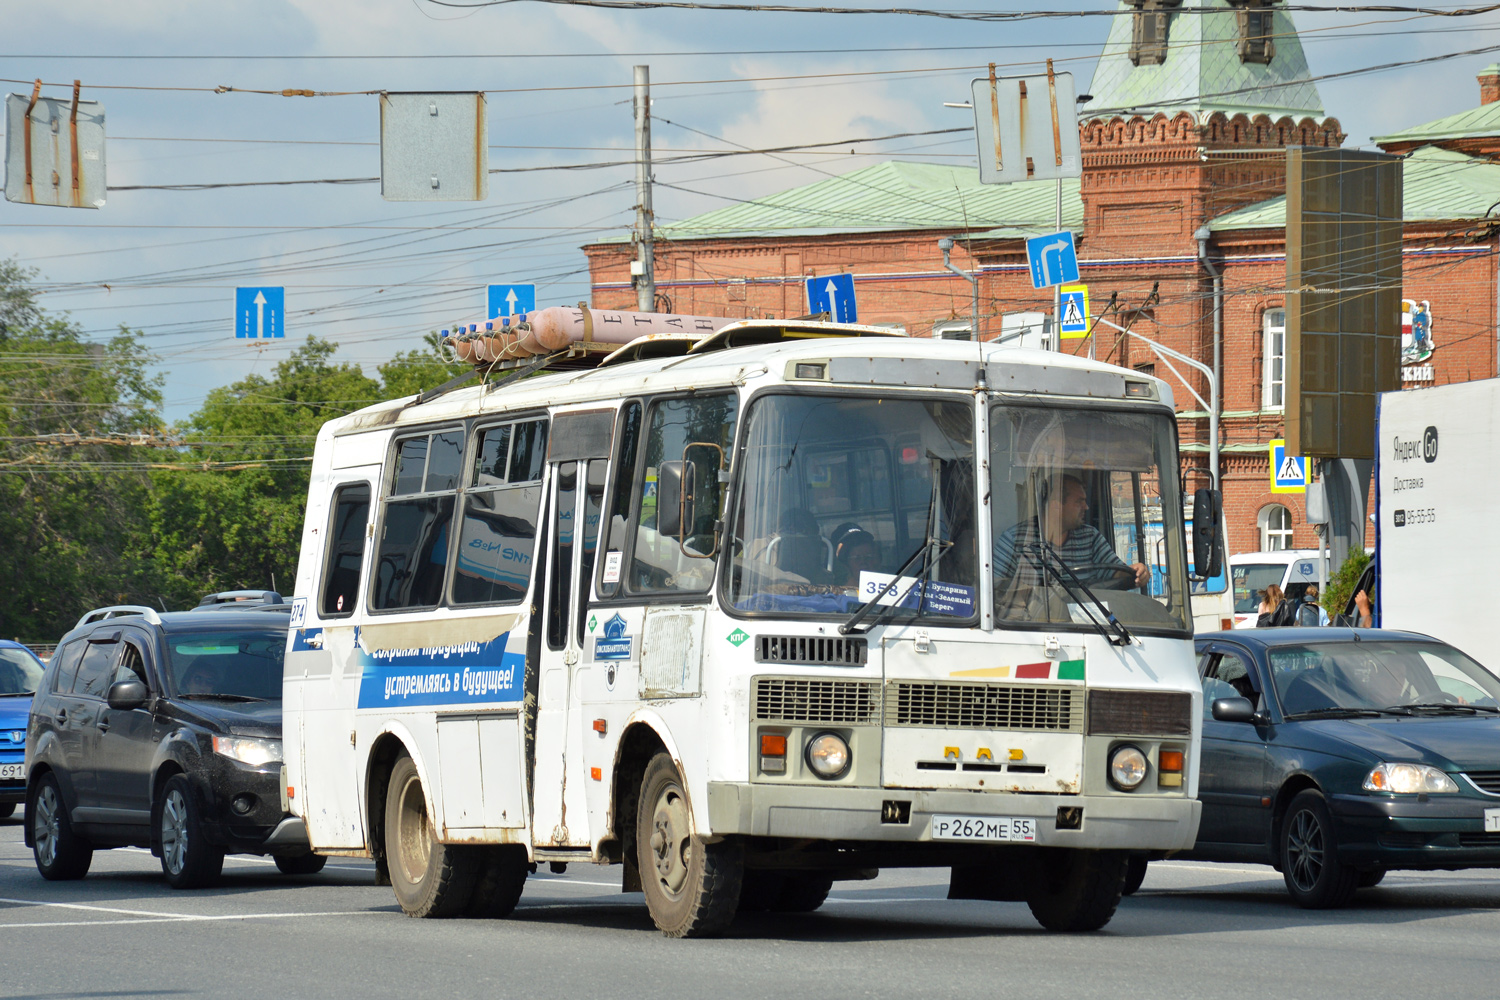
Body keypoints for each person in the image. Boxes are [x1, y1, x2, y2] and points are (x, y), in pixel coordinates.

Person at [994, 473, 1149, 589]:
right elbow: (994, 587)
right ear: (1056, 506)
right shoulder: (1014, 539)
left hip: (1085, 625)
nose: (1086, 507)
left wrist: (1135, 572)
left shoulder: (1090, 537)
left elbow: (1115, 573)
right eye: (1079, 502)